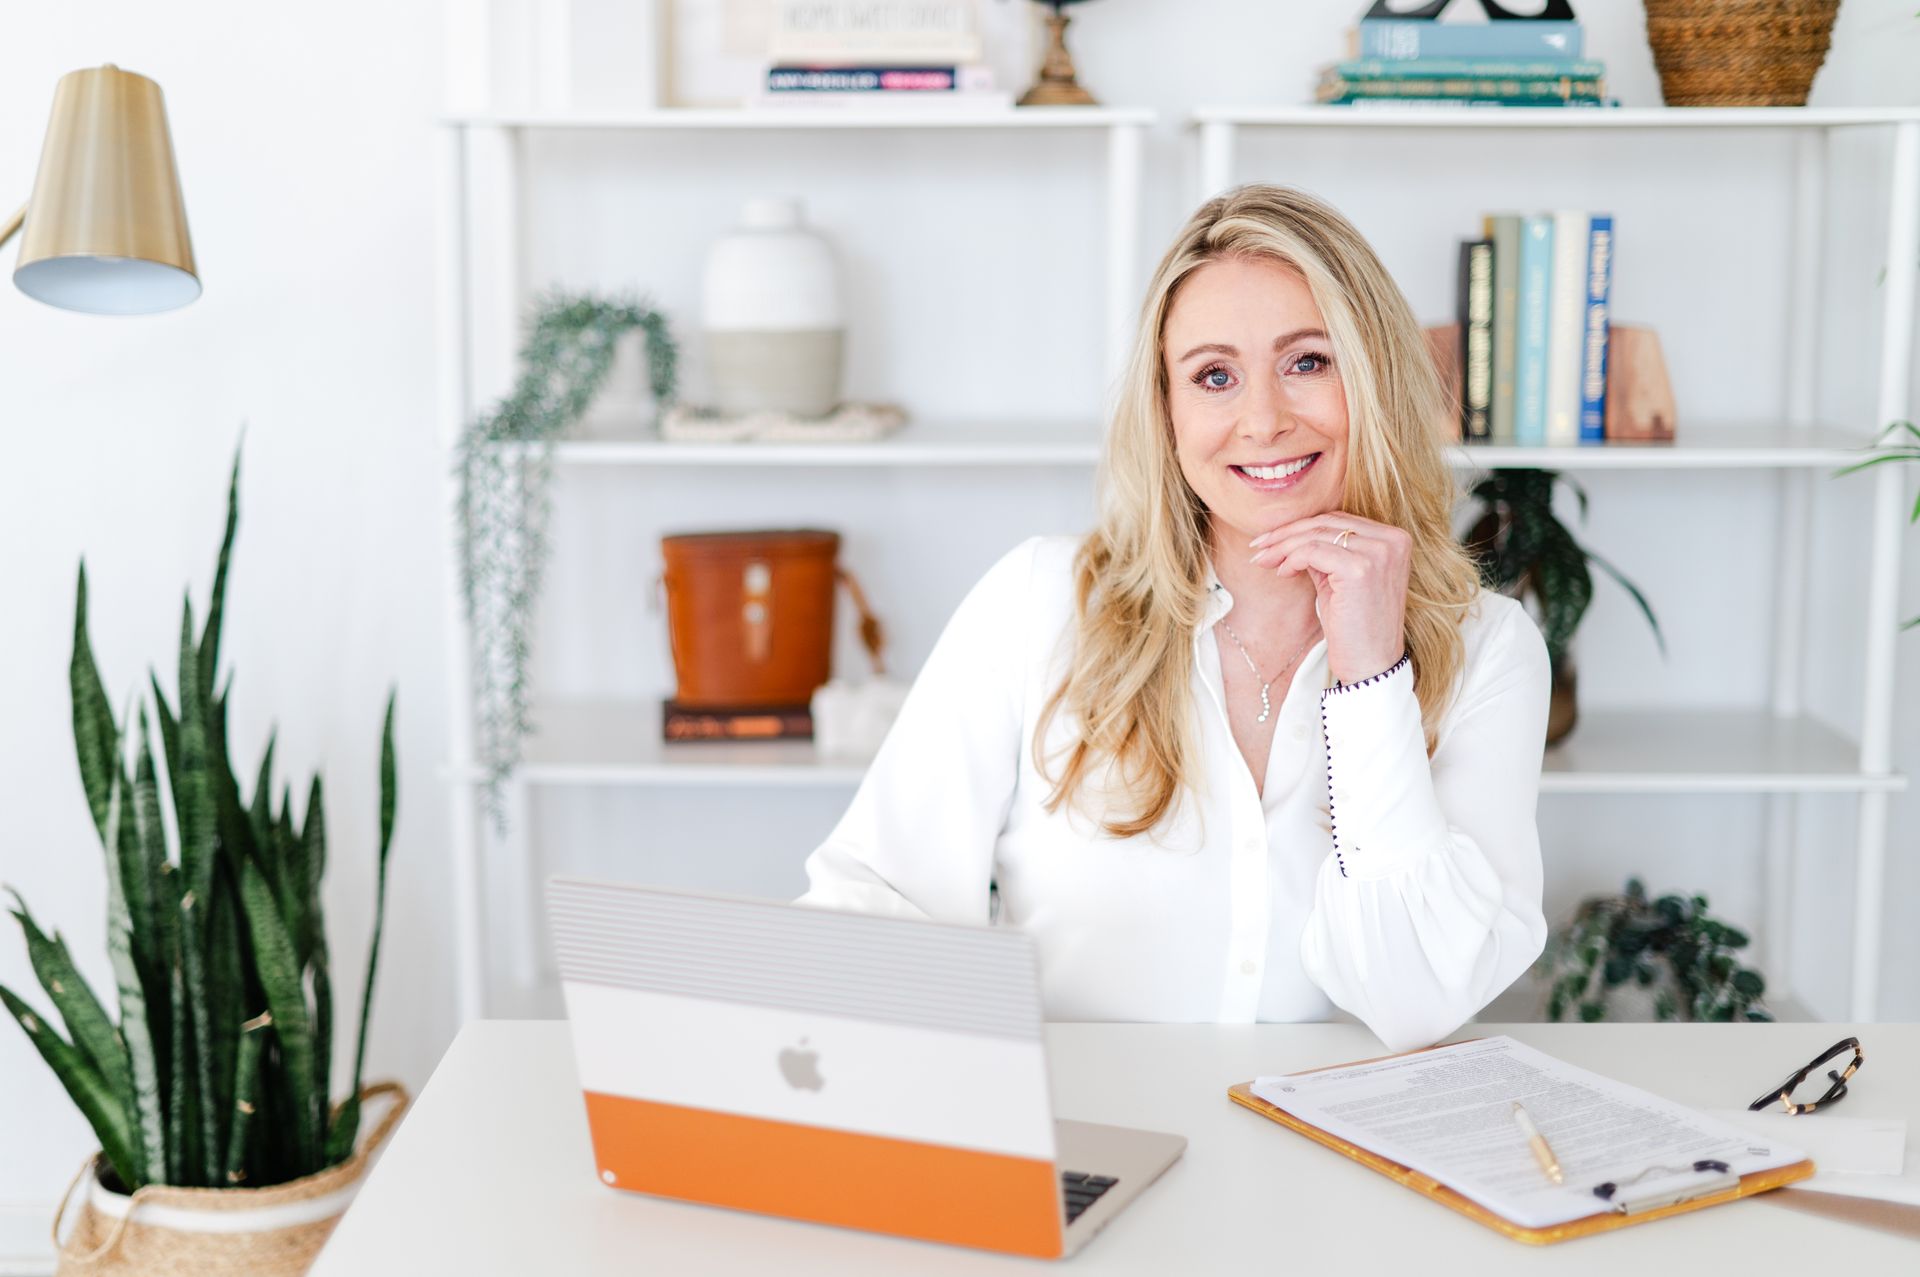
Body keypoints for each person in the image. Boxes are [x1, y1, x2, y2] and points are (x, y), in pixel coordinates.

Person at [797, 184, 1550, 1052]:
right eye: (1214, 376)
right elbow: (881, 892)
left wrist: (1371, 673)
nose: (1262, 420)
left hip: (1346, 1167)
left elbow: (1414, 1000)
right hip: (1083, 1140)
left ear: (1374, 376)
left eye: (1308, 361)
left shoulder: (1489, 648)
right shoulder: (1037, 601)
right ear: (1168, 411)